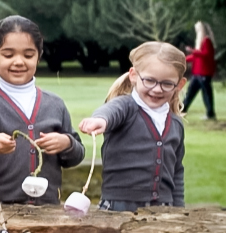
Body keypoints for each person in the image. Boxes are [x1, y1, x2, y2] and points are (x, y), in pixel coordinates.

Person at [0, 16, 84, 205]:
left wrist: (66, 143)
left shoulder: (55, 104)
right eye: (8, 55)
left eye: (28, 55)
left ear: (39, 55)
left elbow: (77, 154)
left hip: (48, 209)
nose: (19, 62)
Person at [78, 42, 187, 212]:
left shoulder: (176, 125)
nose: (157, 89)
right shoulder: (126, 107)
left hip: (164, 208)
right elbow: (111, 111)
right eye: (149, 80)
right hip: (119, 206)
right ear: (134, 75)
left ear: (179, 85)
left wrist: (179, 210)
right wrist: (100, 120)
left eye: (167, 84)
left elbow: (177, 173)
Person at [183, 21, 217, 120]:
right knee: (190, 92)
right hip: (197, 73)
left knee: (206, 93)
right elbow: (196, 57)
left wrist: (193, 51)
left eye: (198, 29)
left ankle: (210, 114)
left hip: (204, 73)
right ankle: (182, 110)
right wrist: (183, 59)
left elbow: (206, 55)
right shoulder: (200, 42)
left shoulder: (207, 41)